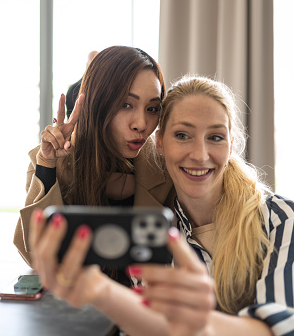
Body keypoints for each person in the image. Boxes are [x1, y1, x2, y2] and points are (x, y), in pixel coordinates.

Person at [28, 76, 294, 336]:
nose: (200, 154)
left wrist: (195, 325)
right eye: (183, 135)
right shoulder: (158, 232)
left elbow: (284, 331)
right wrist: (98, 291)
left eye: (215, 137)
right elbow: (155, 324)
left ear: (232, 143)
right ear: (159, 142)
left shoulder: (283, 219)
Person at [13, 46, 176, 286]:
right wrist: (48, 165)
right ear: (97, 104)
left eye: (152, 109)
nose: (141, 124)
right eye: (126, 105)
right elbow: (36, 256)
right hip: (75, 312)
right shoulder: (50, 158)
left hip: (140, 312)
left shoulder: (166, 167)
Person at [65, 50, 98, 119]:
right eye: (93, 61)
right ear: (87, 64)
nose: (95, 65)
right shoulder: (73, 90)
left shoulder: (73, 89)